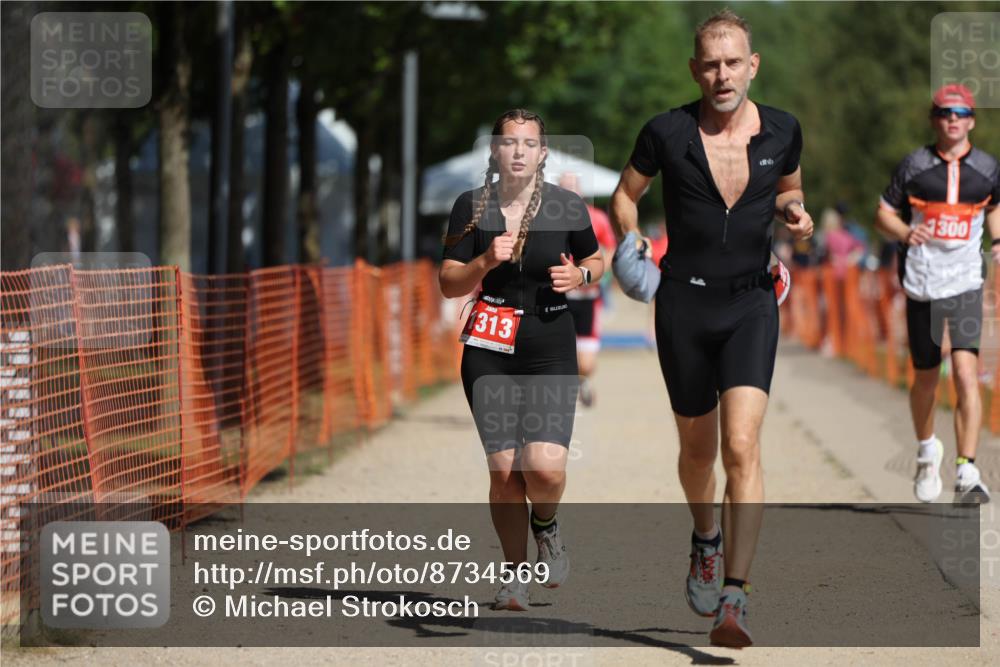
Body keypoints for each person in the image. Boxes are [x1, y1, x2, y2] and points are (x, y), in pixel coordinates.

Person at [610, 9, 813, 648]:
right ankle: (705, 538)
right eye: (711, 64)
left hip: (752, 302)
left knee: (742, 445)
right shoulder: (666, 131)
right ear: (695, 69)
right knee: (698, 453)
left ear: (753, 66)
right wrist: (631, 237)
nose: (723, 75)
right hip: (684, 306)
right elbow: (625, 194)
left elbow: (789, 189)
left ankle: (735, 595)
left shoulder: (783, 129)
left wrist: (796, 212)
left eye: (733, 63)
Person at [439, 109, 604, 611]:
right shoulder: (471, 206)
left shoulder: (566, 206)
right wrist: (485, 260)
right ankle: (513, 576)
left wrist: (582, 277)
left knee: (544, 469)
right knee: (505, 473)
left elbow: (596, 259)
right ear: (494, 150)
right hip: (488, 350)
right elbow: (448, 282)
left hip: (549, 344)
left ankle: (546, 527)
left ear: (542, 152)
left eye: (529, 144)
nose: (518, 152)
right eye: (509, 142)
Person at [875, 83, 1000, 505]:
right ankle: (928, 451)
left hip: (965, 281)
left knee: (965, 373)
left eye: (961, 113)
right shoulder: (914, 165)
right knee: (927, 376)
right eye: (945, 112)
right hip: (923, 282)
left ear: (972, 121)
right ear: (934, 120)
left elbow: (995, 205)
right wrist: (905, 232)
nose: (953, 119)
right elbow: (883, 214)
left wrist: (998, 240)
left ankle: (967, 469)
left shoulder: (988, 168)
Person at [558, 173, 617, 407]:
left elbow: (610, 249)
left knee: (587, 364)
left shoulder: (597, 218)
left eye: (572, 186)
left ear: (580, 191)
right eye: (564, 187)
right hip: (558, 295)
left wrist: (595, 275)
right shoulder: (547, 217)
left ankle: (580, 380)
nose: (569, 191)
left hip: (588, 297)